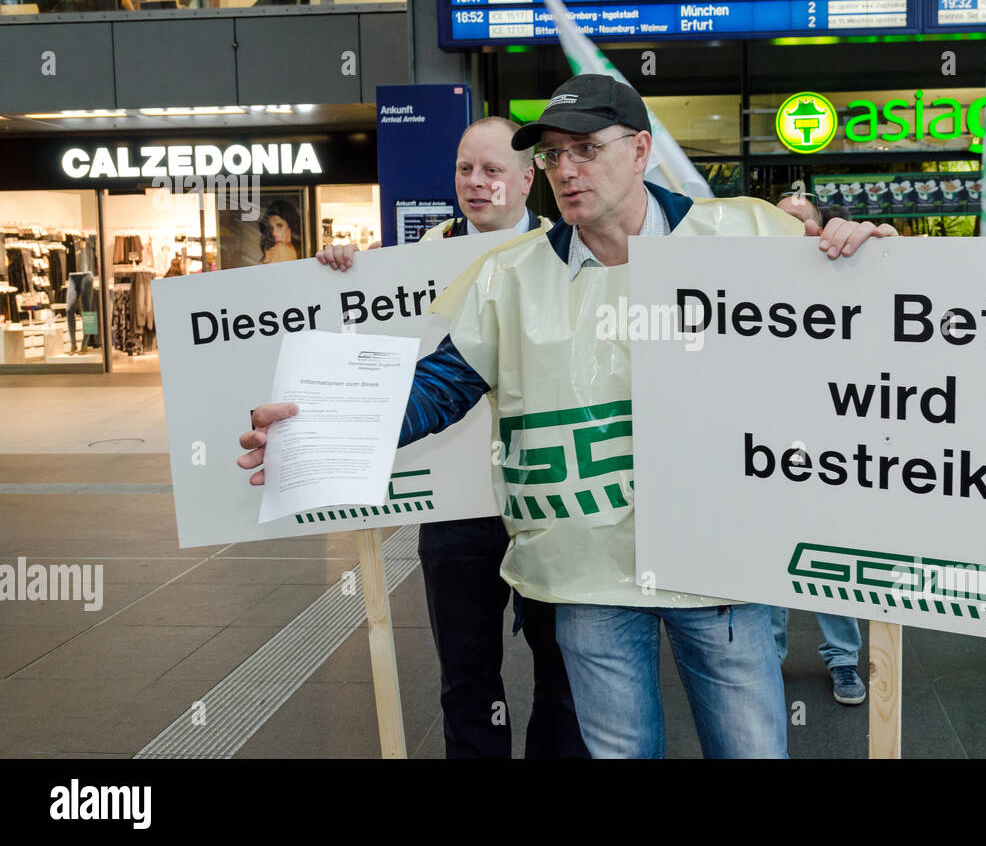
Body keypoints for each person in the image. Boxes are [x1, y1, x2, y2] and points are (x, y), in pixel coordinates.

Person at [241, 74, 894, 758]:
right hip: (588, 576)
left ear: (640, 151)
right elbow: (438, 386)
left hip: (720, 566)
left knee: (751, 749)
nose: (566, 170)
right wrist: (312, 424)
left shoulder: (741, 234)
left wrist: (867, 257)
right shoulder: (508, 279)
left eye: (584, 148)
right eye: (553, 154)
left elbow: (856, 328)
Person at [321, 117, 584, 759]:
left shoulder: (574, 253)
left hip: (550, 502)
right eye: (466, 168)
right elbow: (370, 344)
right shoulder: (414, 261)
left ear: (529, 180)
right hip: (456, 507)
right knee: (467, 679)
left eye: (493, 170)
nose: (476, 183)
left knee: (568, 677)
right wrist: (343, 272)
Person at [771, 189, 868, 706]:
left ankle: (844, 661)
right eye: (779, 221)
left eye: (802, 220)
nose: (793, 230)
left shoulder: (843, 274)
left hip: (829, 456)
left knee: (832, 566)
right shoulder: (747, 283)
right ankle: (769, 659)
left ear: (822, 227)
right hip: (768, 455)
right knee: (768, 562)